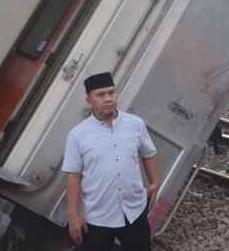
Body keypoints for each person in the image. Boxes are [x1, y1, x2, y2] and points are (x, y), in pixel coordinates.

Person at [63, 72, 160, 251]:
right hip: (97, 217)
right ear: (89, 100)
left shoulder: (135, 124)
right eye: (100, 95)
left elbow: (148, 153)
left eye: (111, 92)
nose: (108, 98)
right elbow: (73, 176)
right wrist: (73, 215)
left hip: (134, 211)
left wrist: (154, 182)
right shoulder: (77, 135)